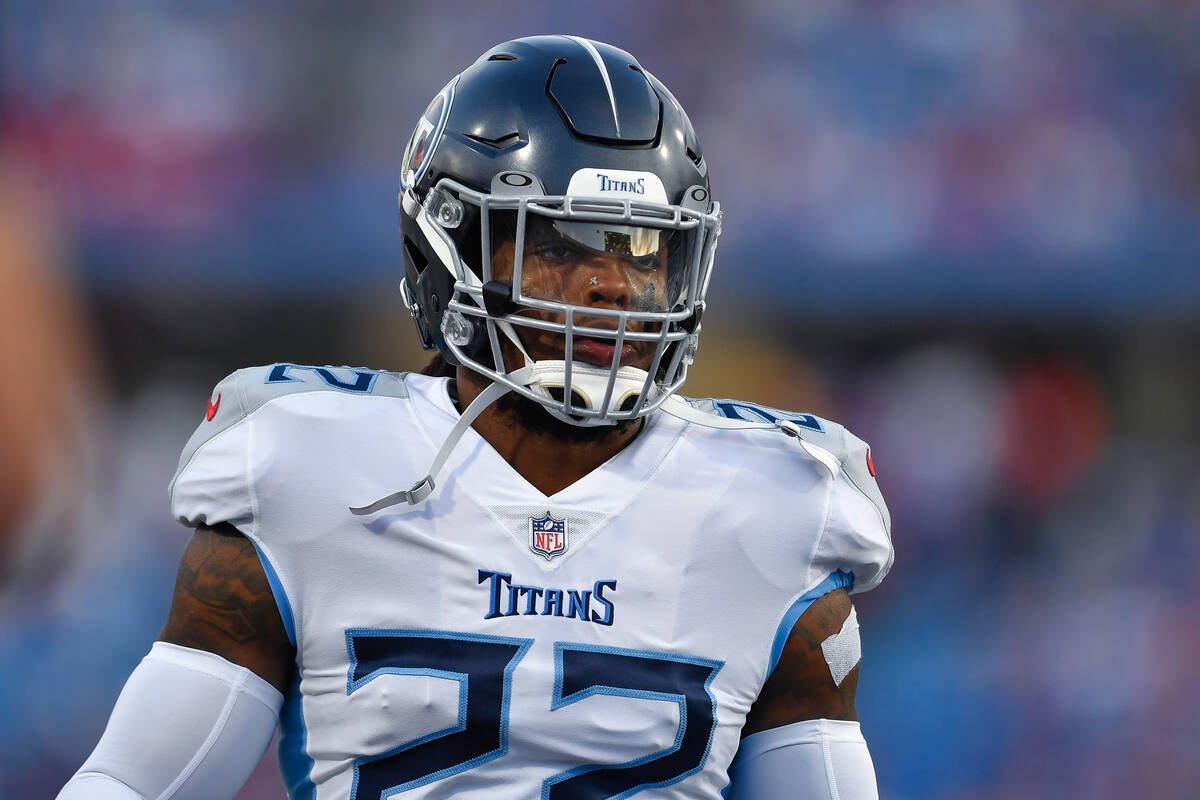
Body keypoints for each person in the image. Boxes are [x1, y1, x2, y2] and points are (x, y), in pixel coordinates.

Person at [58, 35, 892, 800]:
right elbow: (133, 786)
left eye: (643, 248)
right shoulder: (306, 465)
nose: (613, 286)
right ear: (445, 251)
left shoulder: (778, 503)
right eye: (561, 243)